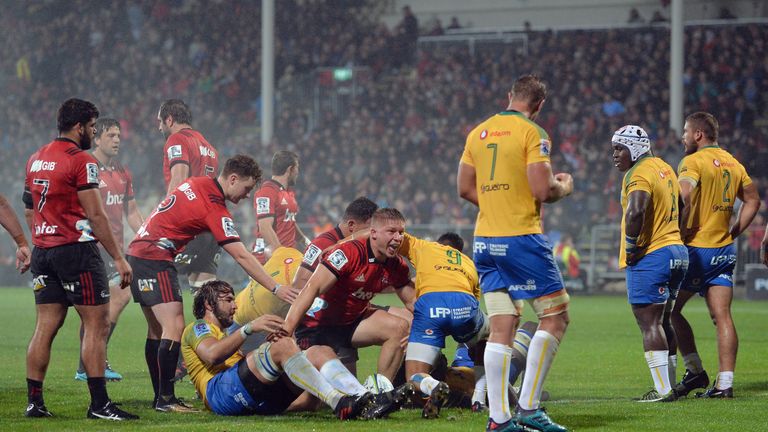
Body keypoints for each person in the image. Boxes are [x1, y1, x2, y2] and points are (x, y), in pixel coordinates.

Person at [126, 154, 288, 412]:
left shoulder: (198, 183)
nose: (246, 195)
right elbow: (241, 255)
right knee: (175, 325)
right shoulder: (214, 206)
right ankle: (165, 400)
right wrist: (275, 287)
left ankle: (162, 397)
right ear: (233, 178)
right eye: (246, 188)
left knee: (157, 330)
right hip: (155, 256)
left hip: (138, 253)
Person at [457, 74, 572, 432]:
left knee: (502, 326)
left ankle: (499, 419)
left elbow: (464, 188)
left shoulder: (478, 132)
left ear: (509, 96)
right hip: (521, 237)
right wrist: (564, 187)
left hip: (486, 241)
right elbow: (542, 189)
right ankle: (529, 408)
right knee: (556, 318)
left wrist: (496, 201)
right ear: (538, 105)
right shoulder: (533, 133)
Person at [23, 98, 137, 420]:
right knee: (96, 324)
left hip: (43, 252)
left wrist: (40, 240)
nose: (91, 131)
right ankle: (100, 405)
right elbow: (96, 215)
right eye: (90, 126)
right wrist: (119, 257)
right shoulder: (81, 160)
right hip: (76, 250)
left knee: (45, 326)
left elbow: (29, 207)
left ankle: (35, 403)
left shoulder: (35, 158)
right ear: (79, 127)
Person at [273, 208, 416, 416]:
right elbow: (311, 288)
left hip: (351, 323)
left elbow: (413, 303)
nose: (398, 238)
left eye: (401, 232)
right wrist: (287, 327)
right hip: (317, 328)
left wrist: (428, 329)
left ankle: (380, 396)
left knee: (400, 327)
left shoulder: (397, 265)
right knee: (311, 402)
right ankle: (272, 408)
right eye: (391, 232)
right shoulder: (347, 253)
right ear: (373, 233)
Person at [181, 280, 384, 419]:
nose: (235, 306)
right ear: (208, 304)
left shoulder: (226, 339)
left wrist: (278, 351)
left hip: (248, 396)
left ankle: (367, 400)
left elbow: (245, 365)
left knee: (319, 351)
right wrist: (249, 328)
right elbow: (212, 355)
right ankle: (340, 402)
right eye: (228, 300)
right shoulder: (198, 327)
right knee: (281, 347)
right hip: (218, 394)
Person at [671, 112, 760, 398]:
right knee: (722, 316)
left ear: (699, 134)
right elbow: (753, 200)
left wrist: (678, 231)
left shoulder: (692, 162)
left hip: (697, 248)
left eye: (686, 131)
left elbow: (684, 195)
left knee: (668, 312)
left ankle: (694, 370)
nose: (683, 136)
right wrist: (735, 231)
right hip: (724, 250)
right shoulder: (734, 163)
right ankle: (725, 384)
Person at [611, 125, 688, 402]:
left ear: (636, 148)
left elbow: (636, 211)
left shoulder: (639, 172)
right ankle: (670, 386)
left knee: (649, 323)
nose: (615, 155)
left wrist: (631, 248)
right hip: (676, 252)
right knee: (664, 321)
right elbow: (681, 204)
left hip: (652, 255)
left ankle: (663, 390)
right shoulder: (665, 167)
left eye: (620, 148)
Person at [74, 118, 144, 382]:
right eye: (111, 135)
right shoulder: (85, 166)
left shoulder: (122, 172)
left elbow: (132, 212)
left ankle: (87, 364)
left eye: (118, 135)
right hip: (91, 246)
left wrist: (148, 234)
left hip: (114, 248)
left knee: (106, 305)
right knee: (107, 304)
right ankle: (92, 362)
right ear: (98, 137)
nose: (117, 140)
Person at [397, 231, 488, 419]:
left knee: (414, 375)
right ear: (460, 251)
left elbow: (397, 236)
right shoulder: (469, 263)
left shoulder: (425, 247)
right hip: (464, 305)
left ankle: (433, 386)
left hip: (430, 307)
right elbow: (472, 304)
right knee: (487, 337)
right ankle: (479, 399)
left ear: (439, 244)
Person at [158, 99, 220, 290]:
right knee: (205, 292)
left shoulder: (177, 139)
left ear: (169, 120)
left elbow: (179, 181)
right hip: (210, 228)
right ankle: (213, 321)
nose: (159, 127)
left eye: (160, 121)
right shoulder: (209, 147)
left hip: (190, 226)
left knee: (152, 273)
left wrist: (162, 219)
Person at [233, 246, 303, 352]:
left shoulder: (292, 254)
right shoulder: (292, 254)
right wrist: (276, 288)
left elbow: (270, 248)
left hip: (254, 327)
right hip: (238, 316)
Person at [252, 150, 309, 264]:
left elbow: (289, 221)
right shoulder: (267, 191)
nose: (298, 172)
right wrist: (281, 255)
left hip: (285, 257)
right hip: (269, 260)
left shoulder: (289, 193)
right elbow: (265, 227)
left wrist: (305, 241)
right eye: (297, 168)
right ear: (290, 169)